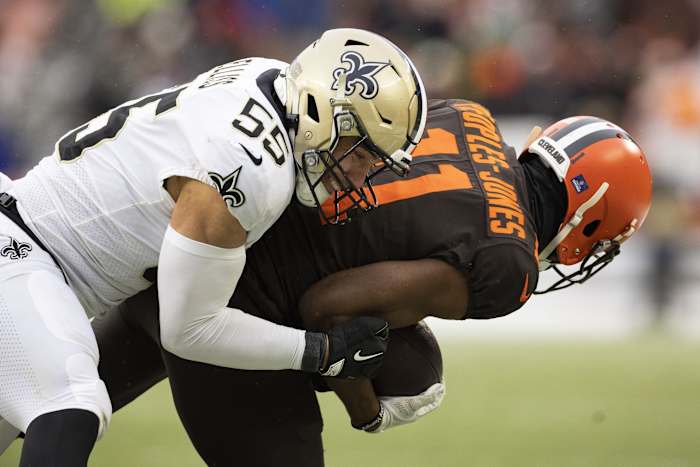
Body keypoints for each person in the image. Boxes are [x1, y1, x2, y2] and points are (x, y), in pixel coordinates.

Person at [86, 98, 652, 466]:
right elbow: (330, 309)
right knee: (411, 373)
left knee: (58, 409)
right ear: (589, 219)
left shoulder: (471, 116)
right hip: (238, 304)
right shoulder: (509, 265)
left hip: (192, 241)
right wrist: (366, 409)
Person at [0, 28, 428, 466]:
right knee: (71, 407)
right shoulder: (251, 167)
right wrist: (322, 352)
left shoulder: (270, 77)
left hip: (30, 249)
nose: (358, 177)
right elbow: (189, 330)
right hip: (22, 250)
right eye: (359, 154)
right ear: (320, 111)